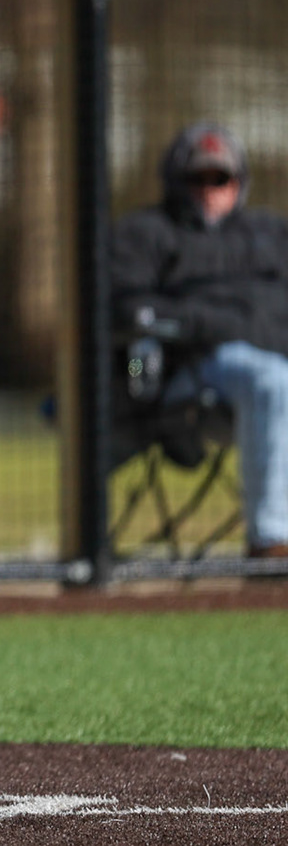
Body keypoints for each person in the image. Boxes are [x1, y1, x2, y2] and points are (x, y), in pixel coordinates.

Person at [112, 123, 288, 561]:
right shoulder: (145, 233)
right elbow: (129, 313)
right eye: (198, 178)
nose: (209, 190)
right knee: (270, 379)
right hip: (181, 374)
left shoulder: (270, 234)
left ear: (239, 182)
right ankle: (270, 540)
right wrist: (208, 326)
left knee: (274, 376)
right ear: (176, 181)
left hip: (272, 360)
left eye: (220, 178)